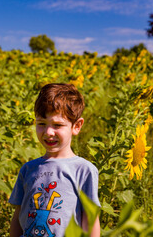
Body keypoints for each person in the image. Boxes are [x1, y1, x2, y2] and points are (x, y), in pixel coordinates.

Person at [9, 83, 101, 237]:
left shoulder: (83, 170)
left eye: (57, 125)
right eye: (41, 124)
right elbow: (18, 216)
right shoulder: (28, 169)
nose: (48, 132)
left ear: (76, 126)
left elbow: (90, 219)